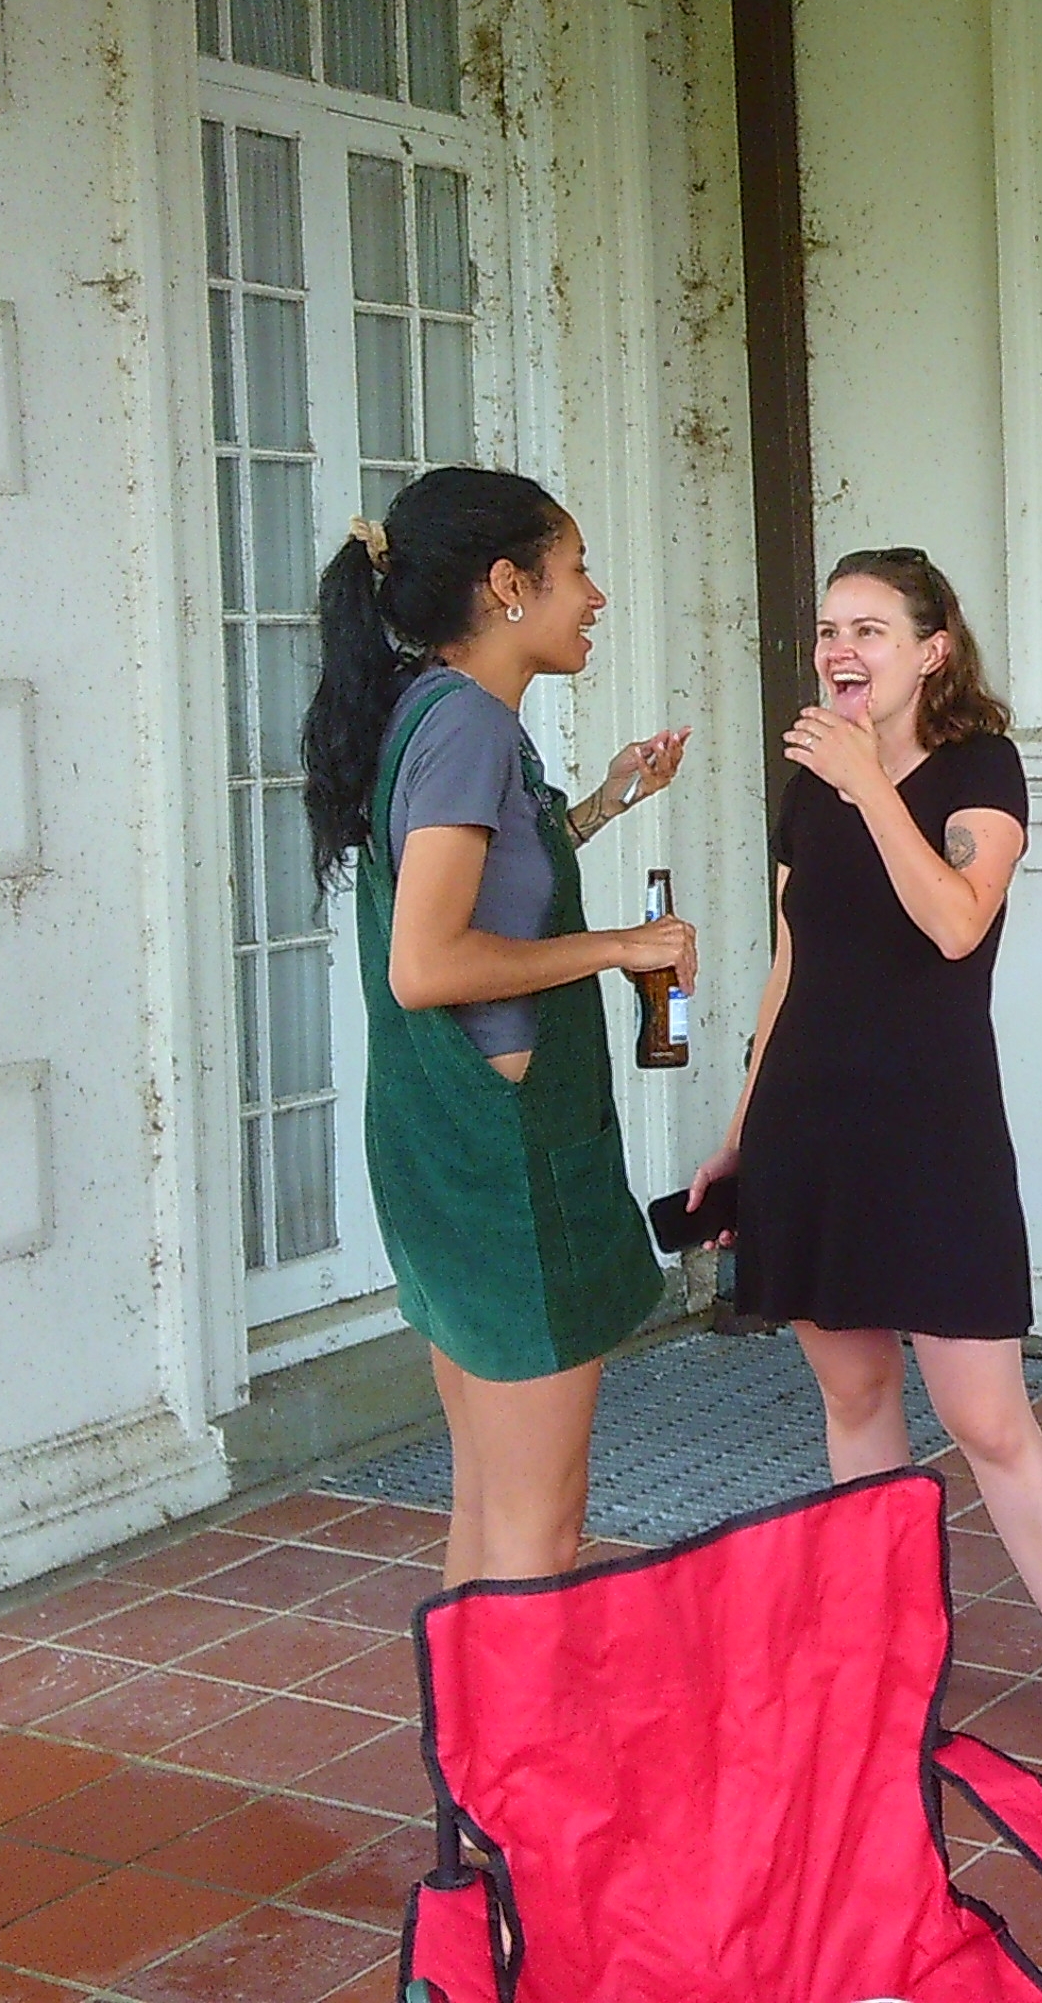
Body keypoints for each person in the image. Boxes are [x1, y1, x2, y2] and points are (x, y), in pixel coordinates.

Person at [688, 547, 1042, 1776]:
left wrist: (866, 787)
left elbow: (956, 923)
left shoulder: (977, 769)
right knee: (853, 1403)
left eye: (873, 629)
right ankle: (881, 1658)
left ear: (933, 649)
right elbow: (790, 960)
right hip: (810, 1126)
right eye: (829, 626)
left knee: (989, 1418)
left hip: (933, 1130)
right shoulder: (810, 779)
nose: (842, 648)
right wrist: (742, 1128)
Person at [302, 467, 695, 1588]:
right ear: (509, 585)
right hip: (509, 1171)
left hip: (445, 1149)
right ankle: (521, 1762)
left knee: (485, 1503)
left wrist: (609, 801)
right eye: (575, 571)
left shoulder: (428, 709)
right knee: (538, 1534)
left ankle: (475, 1759)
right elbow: (429, 964)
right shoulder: (470, 730)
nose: (597, 596)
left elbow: (484, 891)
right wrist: (623, 947)